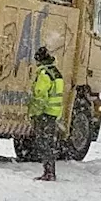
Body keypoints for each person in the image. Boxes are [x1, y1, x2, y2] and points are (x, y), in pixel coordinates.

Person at [29, 46, 65, 181]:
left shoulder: (44, 74)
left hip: (44, 113)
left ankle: (48, 172)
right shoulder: (56, 73)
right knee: (49, 143)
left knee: (43, 143)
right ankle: (50, 171)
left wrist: (34, 113)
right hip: (54, 112)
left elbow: (40, 96)